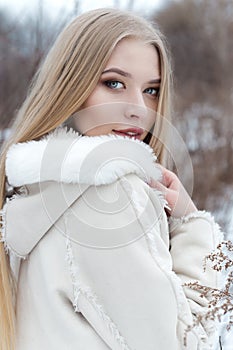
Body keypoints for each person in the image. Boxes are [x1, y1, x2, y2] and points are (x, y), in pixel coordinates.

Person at [0, 7, 223, 350]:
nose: (138, 108)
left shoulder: (30, 191)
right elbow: (188, 342)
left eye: (151, 90)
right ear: (71, 86)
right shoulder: (109, 195)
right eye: (114, 83)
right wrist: (193, 225)